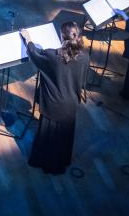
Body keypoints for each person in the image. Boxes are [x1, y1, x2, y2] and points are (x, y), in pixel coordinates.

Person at [20, 22, 89, 175]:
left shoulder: (52, 56)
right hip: (71, 104)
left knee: (48, 136)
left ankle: (45, 163)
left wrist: (28, 39)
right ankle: (60, 163)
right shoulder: (85, 57)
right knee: (64, 137)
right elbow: (82, 81)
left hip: (53, 104)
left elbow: (34, 55)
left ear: (62, 36)